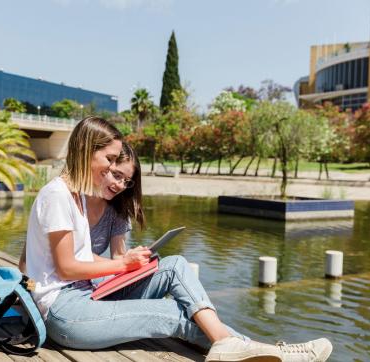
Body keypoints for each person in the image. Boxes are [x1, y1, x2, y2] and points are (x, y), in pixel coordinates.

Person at [20, 116, 333, 362]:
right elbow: (66, 268)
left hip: (86, 298)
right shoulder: (56, 195)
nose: (113, 168)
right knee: (173, 313)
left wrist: (129, 265)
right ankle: (261, 350)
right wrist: (120, 263)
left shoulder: (80, 197)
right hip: (65, 314)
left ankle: (243, 347)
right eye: (110, 159)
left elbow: (82, 259)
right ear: (88, 150)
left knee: (175, 266)